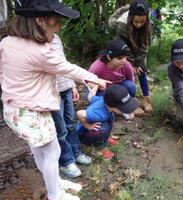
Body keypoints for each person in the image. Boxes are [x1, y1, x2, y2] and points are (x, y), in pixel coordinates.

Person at [0, 0, 110, 200]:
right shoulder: (40, 52)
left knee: (40, 151)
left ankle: (55, 182)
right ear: (40, 20)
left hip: (14, 109)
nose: (59, 26)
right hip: (32, 112)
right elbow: (67, 68)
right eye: (56, 21)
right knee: (52, 151)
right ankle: (55, 195)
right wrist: (96, 79)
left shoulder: (7, 42)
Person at [51, 35, 91, 179]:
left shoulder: (55, 38)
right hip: (52, 92)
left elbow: (64, 63)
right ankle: (66, 161)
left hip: (65, 87)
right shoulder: (34, 41)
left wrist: (72, 85)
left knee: (70, 124)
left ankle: (76, 152)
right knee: (60, 130)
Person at [108, 0, 153, 113]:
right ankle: (129, 102)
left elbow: (145, 45)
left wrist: (137, 64)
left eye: (142, 22)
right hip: (124, 51)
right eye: (136, 21)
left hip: (139, 50)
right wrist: (131, 63)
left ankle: (146, 99)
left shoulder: (149, 24)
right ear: (130, 18)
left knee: (141, 70)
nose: (139, 25)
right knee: (128, 73)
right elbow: (121, 46)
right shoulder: (122, 25)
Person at [75, 84, 138, 160]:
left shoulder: (103, 100)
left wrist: (96, 84)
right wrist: (88, 126)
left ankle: (105, 138)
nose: (125, 111)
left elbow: (90, 97)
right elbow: (79, 113)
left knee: (109, 121)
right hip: (85, 135)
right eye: (123, 108)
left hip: (99, 122)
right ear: (112, 106)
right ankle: (99, 148)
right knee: (103, 128)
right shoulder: (100, 114)